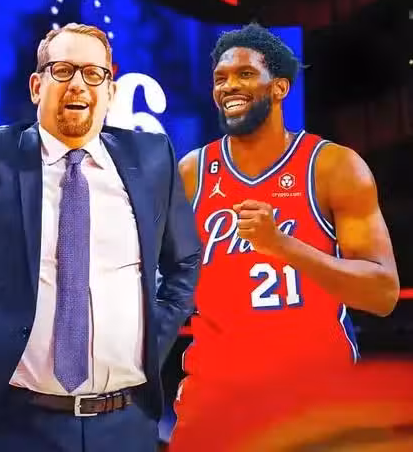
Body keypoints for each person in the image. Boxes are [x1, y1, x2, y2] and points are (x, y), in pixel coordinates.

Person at [0, 23, 201, 452]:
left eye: (93, 73)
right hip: (14, 424)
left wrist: (154, 342)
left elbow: (184, 261)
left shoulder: (153, 157)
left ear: (110, 91)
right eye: (62, 70)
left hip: (126, 424)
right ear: (36, 86)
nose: (78, 84)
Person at [171, 23, 400, 446]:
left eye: (245, 74)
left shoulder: (333, 167)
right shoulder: (192, 172)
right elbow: (166, 283)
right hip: (215, 402)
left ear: (279, 88)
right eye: (220, 78)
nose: (229, 86)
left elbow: (383, 294)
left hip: (313, 404)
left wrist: (282, 245)